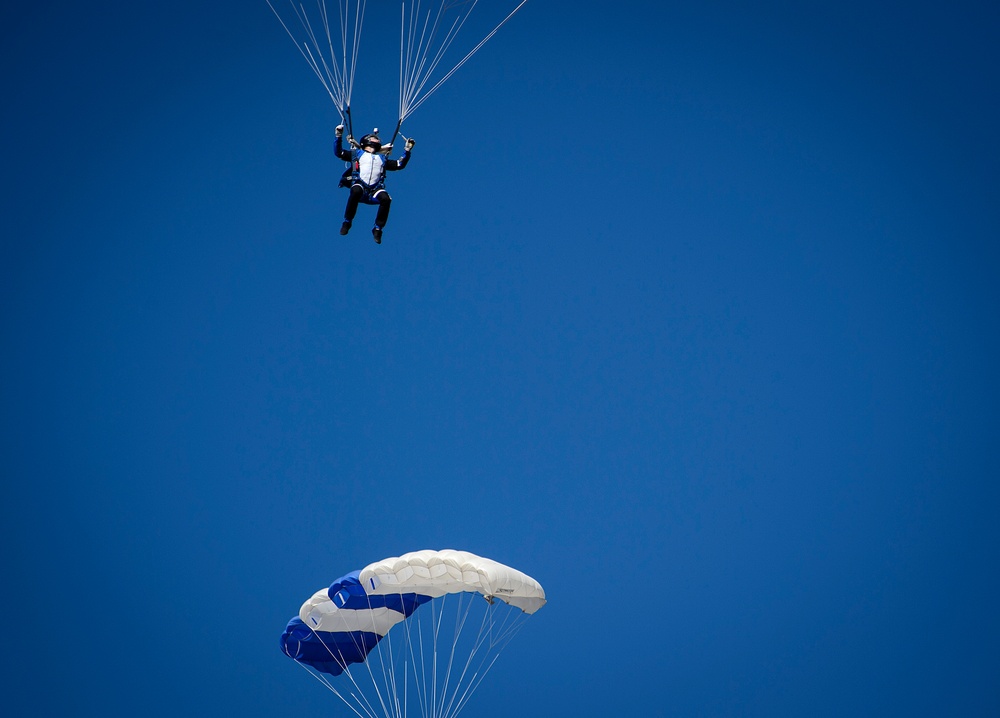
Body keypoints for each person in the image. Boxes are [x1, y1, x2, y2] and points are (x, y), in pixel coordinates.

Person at [334, 125, 415, 244]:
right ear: (366, 141)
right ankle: (347, 222)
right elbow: (339, 152)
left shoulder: (382, 158)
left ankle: (377, 229)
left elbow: (399, 164)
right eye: (373, 138)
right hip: (360, 185)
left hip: (375, 190)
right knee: (355, 191)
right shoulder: (357, 154)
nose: (377, 140)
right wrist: (338, 135)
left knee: (386, 199)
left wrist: (407, 150)